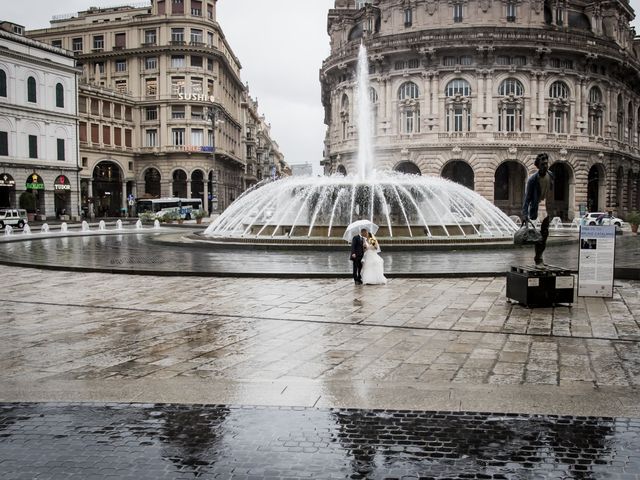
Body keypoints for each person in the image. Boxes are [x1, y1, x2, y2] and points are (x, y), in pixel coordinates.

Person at [522, 153, 554, 267]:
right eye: (542, 164)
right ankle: (538, 259)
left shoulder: (551, 175)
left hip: (546, 208)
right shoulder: (532, 180)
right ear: (537, 165)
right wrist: (525, 214)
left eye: (546, 163)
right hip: (536, 208)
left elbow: (551, 190)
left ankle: (539, 257)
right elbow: (527, 198)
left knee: (545, 235)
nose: (545, 166)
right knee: (538, 237)